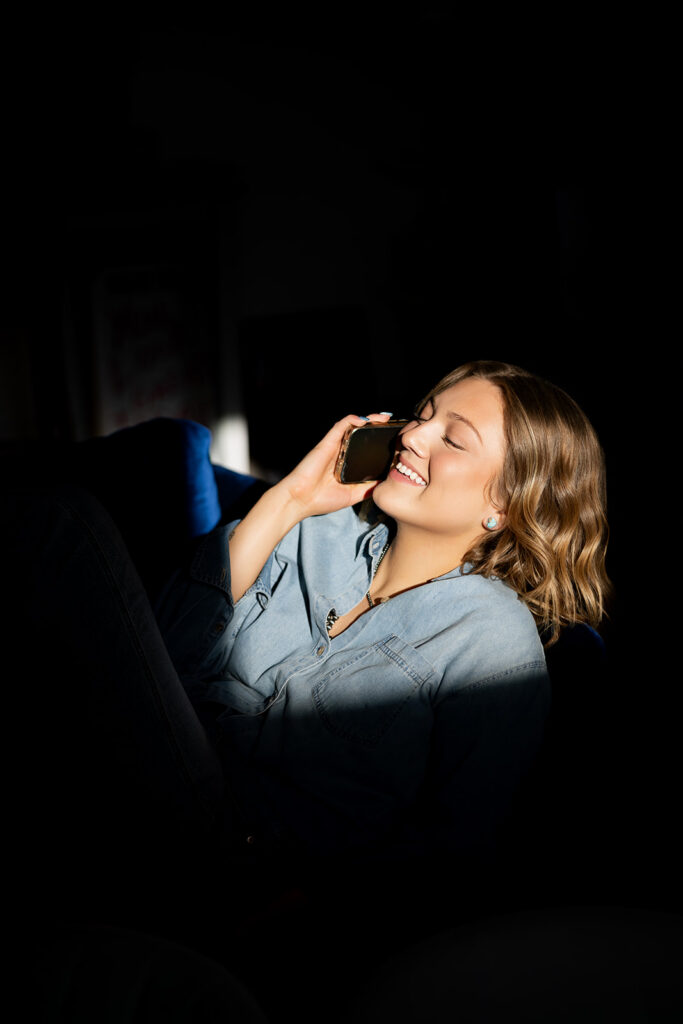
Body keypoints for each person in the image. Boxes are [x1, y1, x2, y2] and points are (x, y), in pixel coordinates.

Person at [153, 359, 610, 879]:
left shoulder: (491, 642)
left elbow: (455, 846)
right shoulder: (315, 528)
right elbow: (160, 653)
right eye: (422, 415)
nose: (414, 435)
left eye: (453, 440)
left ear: (505, 505)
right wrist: (288, 501)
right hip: (156, 768)